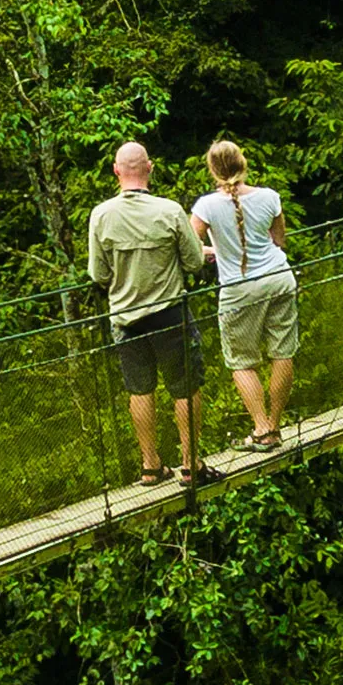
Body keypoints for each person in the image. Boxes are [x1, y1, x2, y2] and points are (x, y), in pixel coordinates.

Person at [87, 142, 209, 486]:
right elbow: (194, 262)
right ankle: (190, 464)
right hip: (170, 313)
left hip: (126, 318)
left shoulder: (101, 215)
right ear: (150, 168)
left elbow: (98, 274)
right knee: (184, 387)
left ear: (116, 170)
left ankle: (150, 466)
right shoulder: (169, 211)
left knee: (139, 389)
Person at [194, 136, 300, 449]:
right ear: (243, 163)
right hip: (280, 278)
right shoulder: (270, 196)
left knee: (242, 361)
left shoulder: (207, 206)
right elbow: (279, 241)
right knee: (283, 352)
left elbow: (189, 248)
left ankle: (262, 429)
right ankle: (275, 426)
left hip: (239, 291)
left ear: (213, 170)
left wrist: (215, 249)